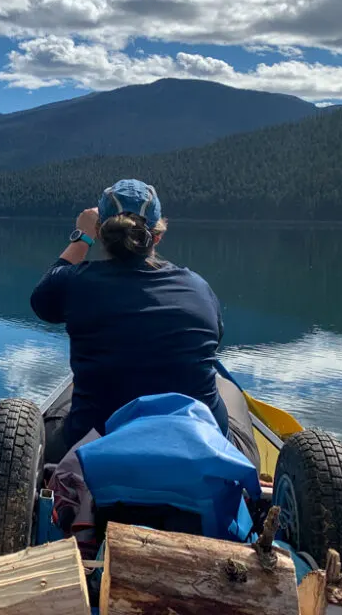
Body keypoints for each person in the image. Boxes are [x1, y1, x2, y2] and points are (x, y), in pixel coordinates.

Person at [30, 178, 258, 466]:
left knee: (67, 399)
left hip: (93, 448)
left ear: (100, 233)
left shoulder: (76, 283)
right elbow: (215, 339)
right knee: (228, 389)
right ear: (158, 236)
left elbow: (42, 300)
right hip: (200, 453)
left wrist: (81, 237)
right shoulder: (198, 288)